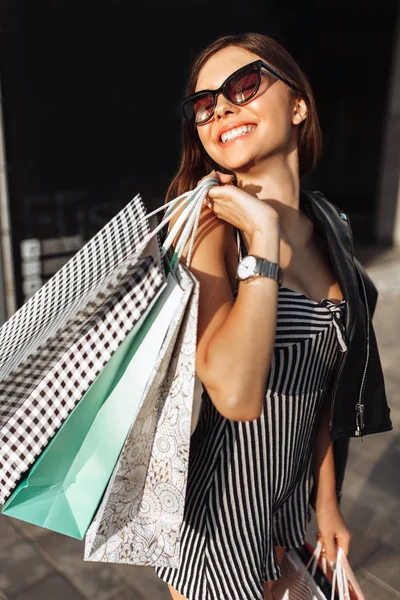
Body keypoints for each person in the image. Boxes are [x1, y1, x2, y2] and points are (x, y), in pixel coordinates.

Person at [155, 32, 392, 600]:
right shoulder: (210, 231)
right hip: (217, 525)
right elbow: (235, 396)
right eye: (206, 104)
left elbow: (328, 390)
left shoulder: (329, 223)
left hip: (286, 510)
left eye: (243, 85)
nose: (223, 109)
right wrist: (261, 237)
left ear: (298, 104)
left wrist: (326, 505)